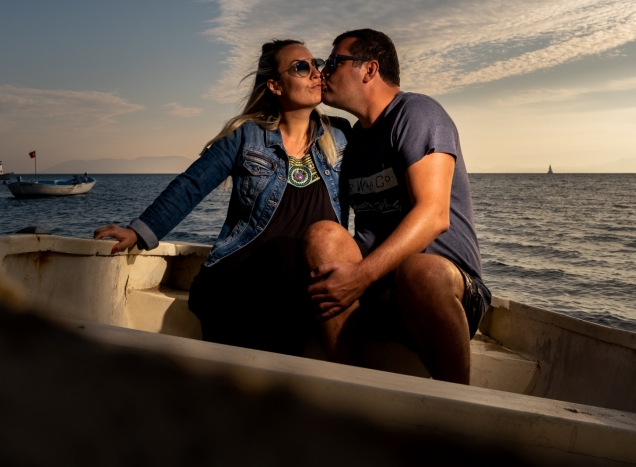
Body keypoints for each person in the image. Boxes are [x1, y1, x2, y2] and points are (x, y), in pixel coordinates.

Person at [94, 40, 349, 356]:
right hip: (242, 275)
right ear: (275, 85)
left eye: (317, 63)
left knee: (297, 262)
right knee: (284, 255)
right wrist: (140, 231)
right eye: (301, 67)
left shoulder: (340, 137)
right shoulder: (246, 135)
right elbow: (191, 186)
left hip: (302, 281)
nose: (315, 72)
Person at [304, 29, 490, 384]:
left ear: (369, 70)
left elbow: (434, 215)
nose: (322, 71)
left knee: (420, 271)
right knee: (322, 236)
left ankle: (459, 412)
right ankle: (354, 395)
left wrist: (358, 276)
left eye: (333, 62)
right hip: (378, 294)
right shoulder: (351, 140)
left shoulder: (416, 113)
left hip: (442, 294)